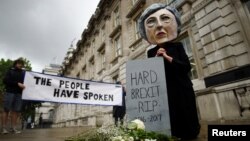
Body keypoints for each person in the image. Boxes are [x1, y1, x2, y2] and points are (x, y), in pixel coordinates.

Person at [138, 3, 200, 140]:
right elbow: (149, 75)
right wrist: (155, 58)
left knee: (186, 116)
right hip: (164, 92)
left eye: (165, 19)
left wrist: (166, 57)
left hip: (181, 88)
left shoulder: (177, 46)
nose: (159, 26)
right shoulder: (151, 52)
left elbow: (186, 67)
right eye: (151, 23)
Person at [1, 58, 26, 134]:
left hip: (19, 94)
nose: (20, 65)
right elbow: (5, 80)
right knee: (6, 110)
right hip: (10, 92)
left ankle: (13, 128)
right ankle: (4, 128)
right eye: (18, 63)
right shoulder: (10, 71)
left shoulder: (24, 73)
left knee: (16, 111)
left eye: (21, 64)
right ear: (15, 64)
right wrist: (17, 83)